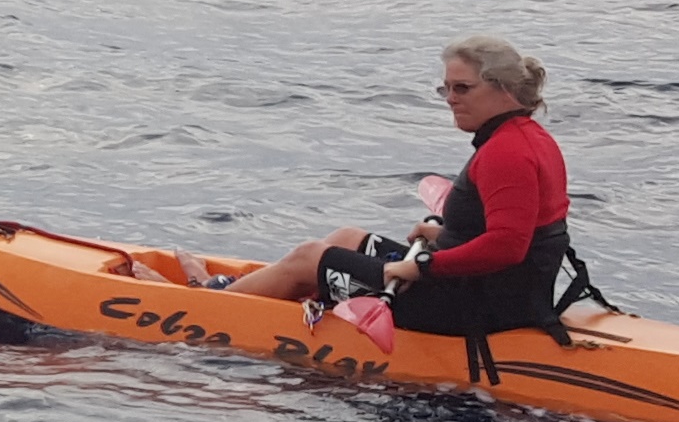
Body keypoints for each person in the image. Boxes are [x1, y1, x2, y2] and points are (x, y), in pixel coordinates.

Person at [210, 36, 570, 344]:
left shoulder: (506, 153)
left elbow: (507, 246)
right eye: (446, 88)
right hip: (494, 293)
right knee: (348, 239)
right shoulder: (529, 138)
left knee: (309, 257)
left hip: (471, 309)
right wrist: (445, 235)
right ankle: (251, 295)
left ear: (504, 89)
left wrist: (422, 266)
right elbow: (519, 230)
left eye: (462, 88)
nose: (450, 98)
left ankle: (213, 306)